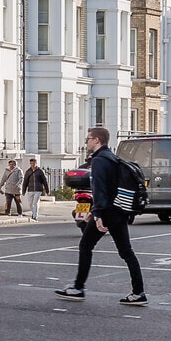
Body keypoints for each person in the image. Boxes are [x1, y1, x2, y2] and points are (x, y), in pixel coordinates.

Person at [55, 126, 147, 306]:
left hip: (107, 212)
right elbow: (111, 189)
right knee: (126, 252)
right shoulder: (112, 157)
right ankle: (138, 292)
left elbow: (100, 190)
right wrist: (93, 211)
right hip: (119, 210)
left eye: (88, 139)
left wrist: (98, 215)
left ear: (97, 140)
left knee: (85, 245)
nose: (86, 142)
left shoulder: (98, 161)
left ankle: (78, 288)